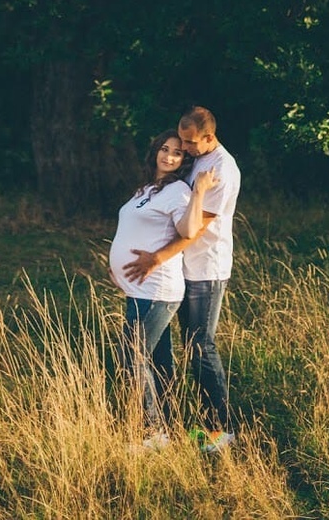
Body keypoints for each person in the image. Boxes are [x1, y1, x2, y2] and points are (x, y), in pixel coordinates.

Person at [123, 106, 241, 455]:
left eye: (190, 142)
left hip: (206, 270)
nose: (184, 147)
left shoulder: (222, 168)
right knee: (172, 348)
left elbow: (194, 230)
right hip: (182, 270)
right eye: (182, 140)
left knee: (201, 346)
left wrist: (156, 259)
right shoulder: (196, 160)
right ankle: (168, 423)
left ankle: (220, 430)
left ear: (209, 137)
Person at [108, 129, 218, 449]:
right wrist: (116, 262)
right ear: (155, 150)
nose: (169, 156)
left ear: (184, 161)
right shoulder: (146, 189)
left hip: (157, 290)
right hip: (138, 290)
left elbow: (188, 230)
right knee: (158, 363)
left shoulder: (178, 191)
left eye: (178, 153)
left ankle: (151, 433)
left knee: (131, 356)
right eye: (165, 149)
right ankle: (170, 429)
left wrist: (198, 192)